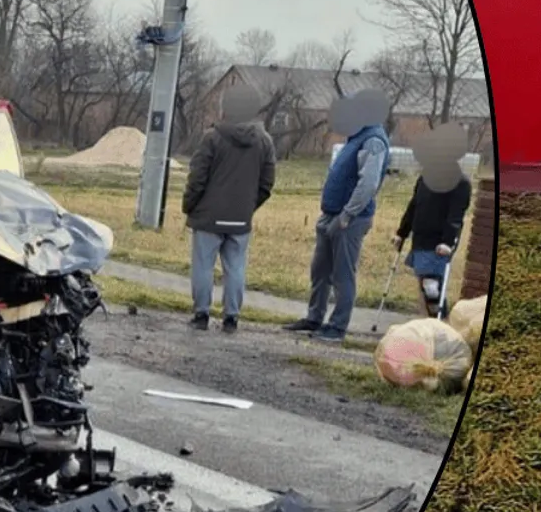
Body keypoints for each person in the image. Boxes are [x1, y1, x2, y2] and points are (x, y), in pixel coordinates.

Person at [285, 89, 392, 343]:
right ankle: (314, 317)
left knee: (343, 274)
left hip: (350, 219)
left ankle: (337, 326)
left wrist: (347, 215)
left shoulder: (373, 140)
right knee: (320, 270)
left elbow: (367, 183)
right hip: (331, 213)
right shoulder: (355, 137)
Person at [181, 85, 277, 334]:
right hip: (240, 218)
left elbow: (197, 178)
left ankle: (201, 314)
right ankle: (231, 318)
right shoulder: (264, 141)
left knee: (203, 266)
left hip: (207, 217)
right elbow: (267, 183)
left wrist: (189, 206)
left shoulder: (211, 138)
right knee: (235, 268)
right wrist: (248, 206)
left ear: (226, 108)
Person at [393, 125, 473, 318]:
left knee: (432, 288)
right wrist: (401, 232)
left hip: (437, 243)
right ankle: (426, 324)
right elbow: (414, 206)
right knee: (423, 284)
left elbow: (455, 216)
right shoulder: (426, 177)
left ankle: (439, 326)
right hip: (420, 238)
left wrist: (447, 242)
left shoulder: (460, 182)